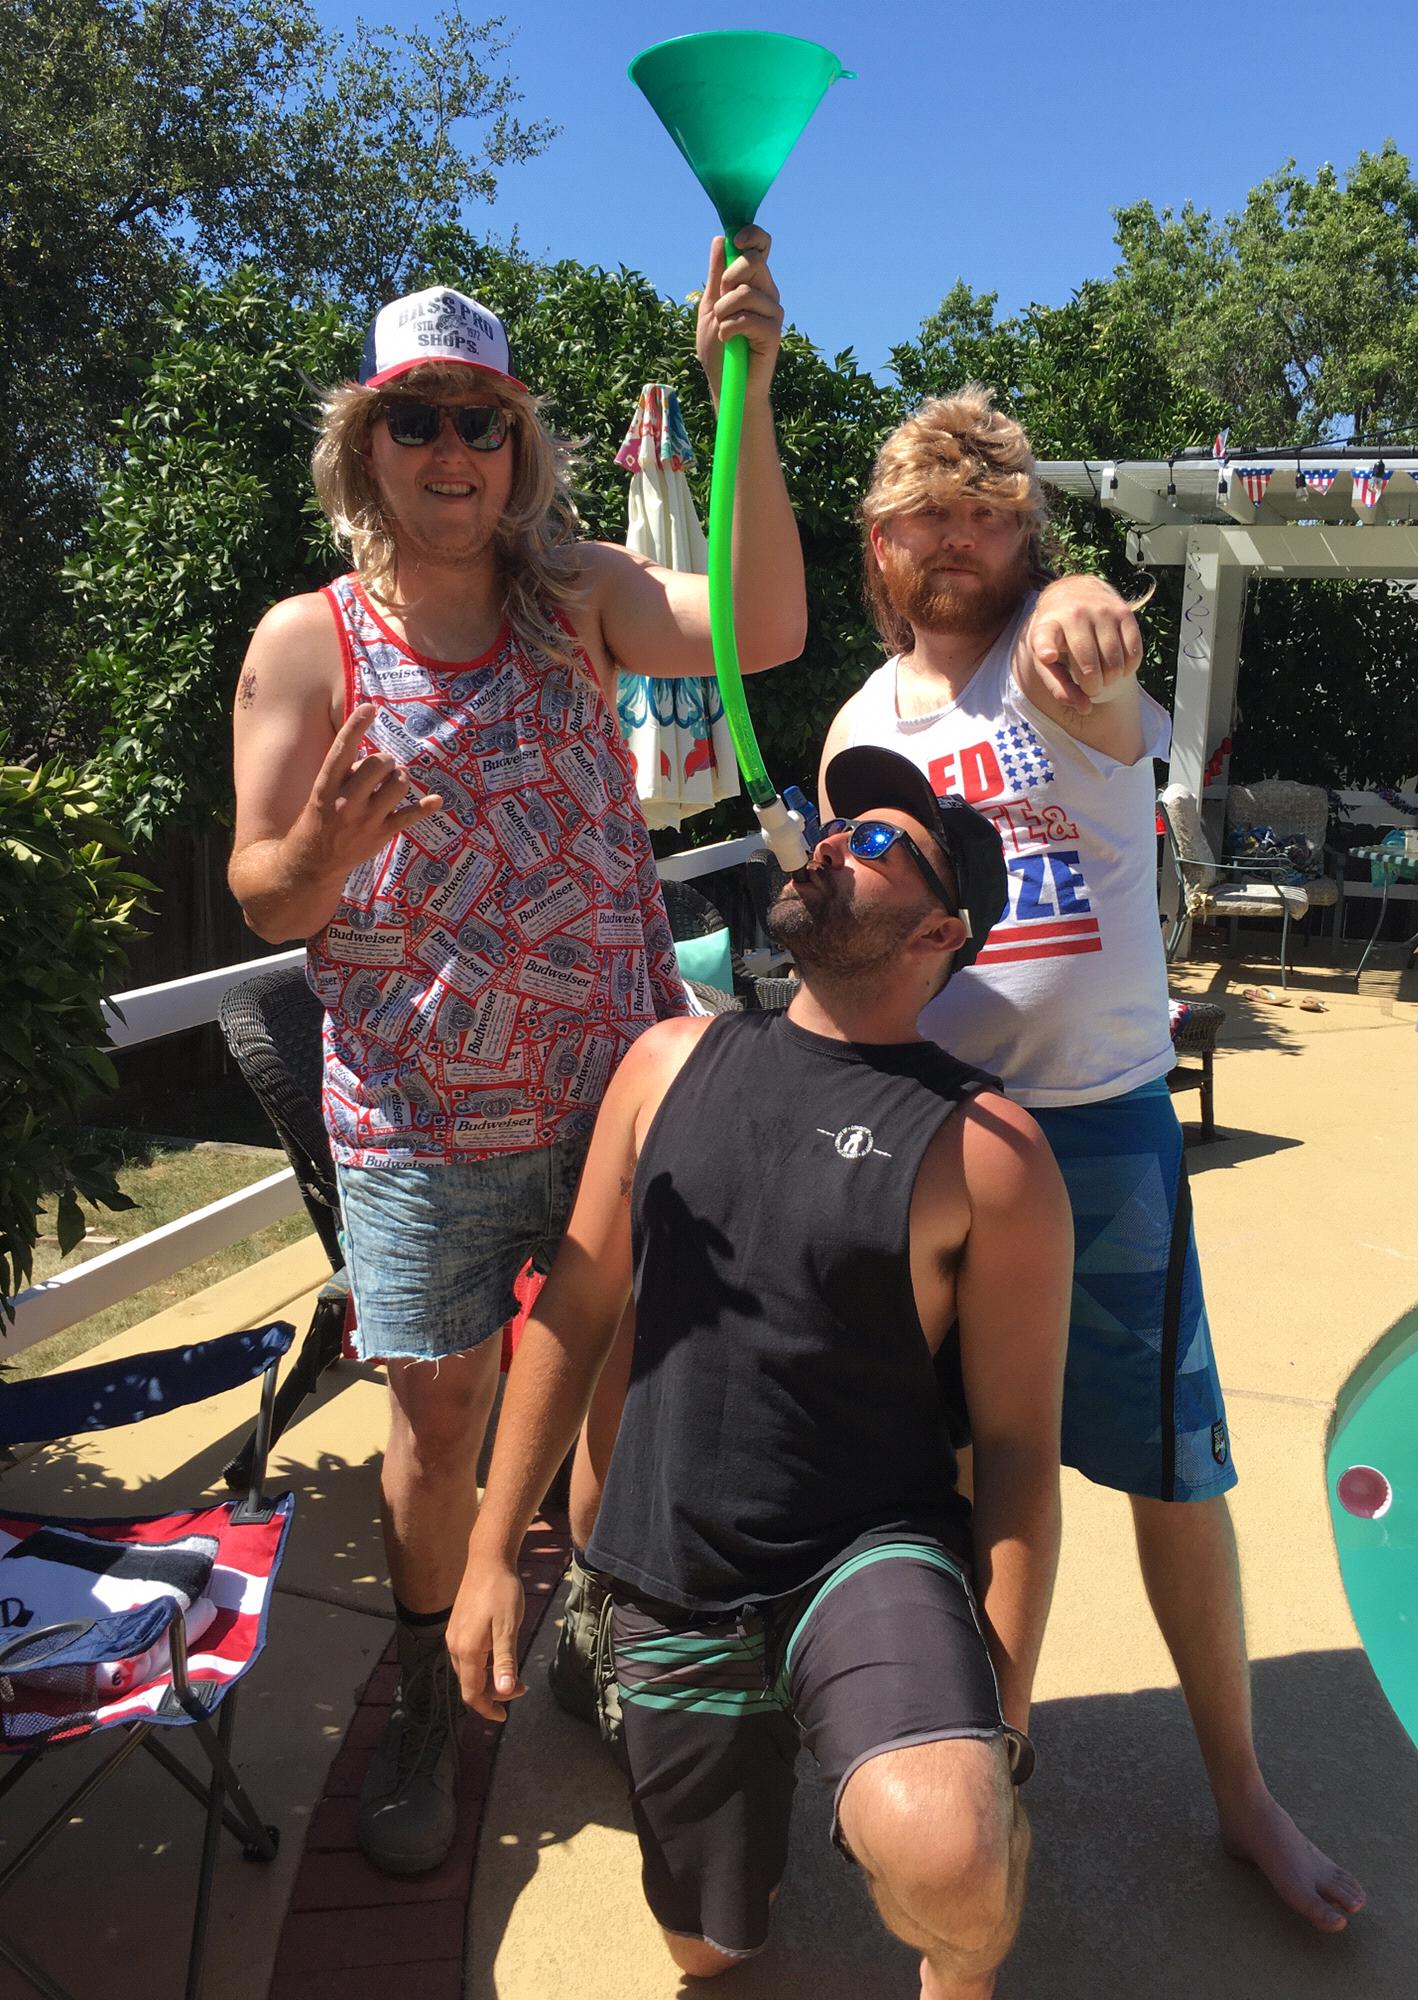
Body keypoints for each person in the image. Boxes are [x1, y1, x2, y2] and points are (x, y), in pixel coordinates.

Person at [227, 234, 805, 1876]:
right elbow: (264, 889)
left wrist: (744, 393)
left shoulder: (580, 599)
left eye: (480, 421)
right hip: (418, 1122)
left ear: (516, 444)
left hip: (612, 1097)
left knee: (627, 1379)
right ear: (367, 447)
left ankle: (599, 1637)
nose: (452, 452)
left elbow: (763, 627)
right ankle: (425, 1688)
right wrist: (321, 852)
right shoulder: (308, 642)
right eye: (416, 421)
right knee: (442, 1416)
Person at [819, 384, 1366, 1932]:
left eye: (990, 513)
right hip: (934, 1131)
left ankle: (1243, 1793)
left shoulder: (1061, 659)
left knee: (1174, 1476)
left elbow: (1096, 664)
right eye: (926, 513)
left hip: (1103, 1132)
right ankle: (986, 1757)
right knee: (949, 1474)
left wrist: (1084, 615)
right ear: (876, 541)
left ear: (1030, 534)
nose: (957, 539)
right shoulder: (860, 727)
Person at [449, 746, 1073, 1997]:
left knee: (952, 1855)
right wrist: (491, 1548)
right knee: (712, 1948)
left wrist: (999, 1725)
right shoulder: (665, 1064)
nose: (830, 839)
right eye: (833, 822)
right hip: (673, 1575)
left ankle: (961, 1944)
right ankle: (779, 1769)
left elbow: (1015, 1452)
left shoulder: (989, 1151)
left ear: (941, 930)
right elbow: (574, 1307)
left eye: (879, 840)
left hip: (864, 1552)